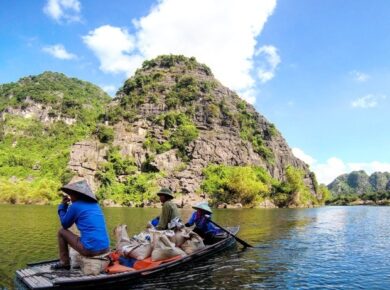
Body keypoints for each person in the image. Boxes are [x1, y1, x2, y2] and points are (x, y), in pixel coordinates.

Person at [51, 180, 110, 270]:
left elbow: (65, 224)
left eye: (71, 195)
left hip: (90, 250)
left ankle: (64, 263)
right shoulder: (95, 205)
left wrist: (63, 206)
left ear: (76, 195)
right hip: (106, 248)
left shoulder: (75, 206)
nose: (70, 198)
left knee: (61, 232)